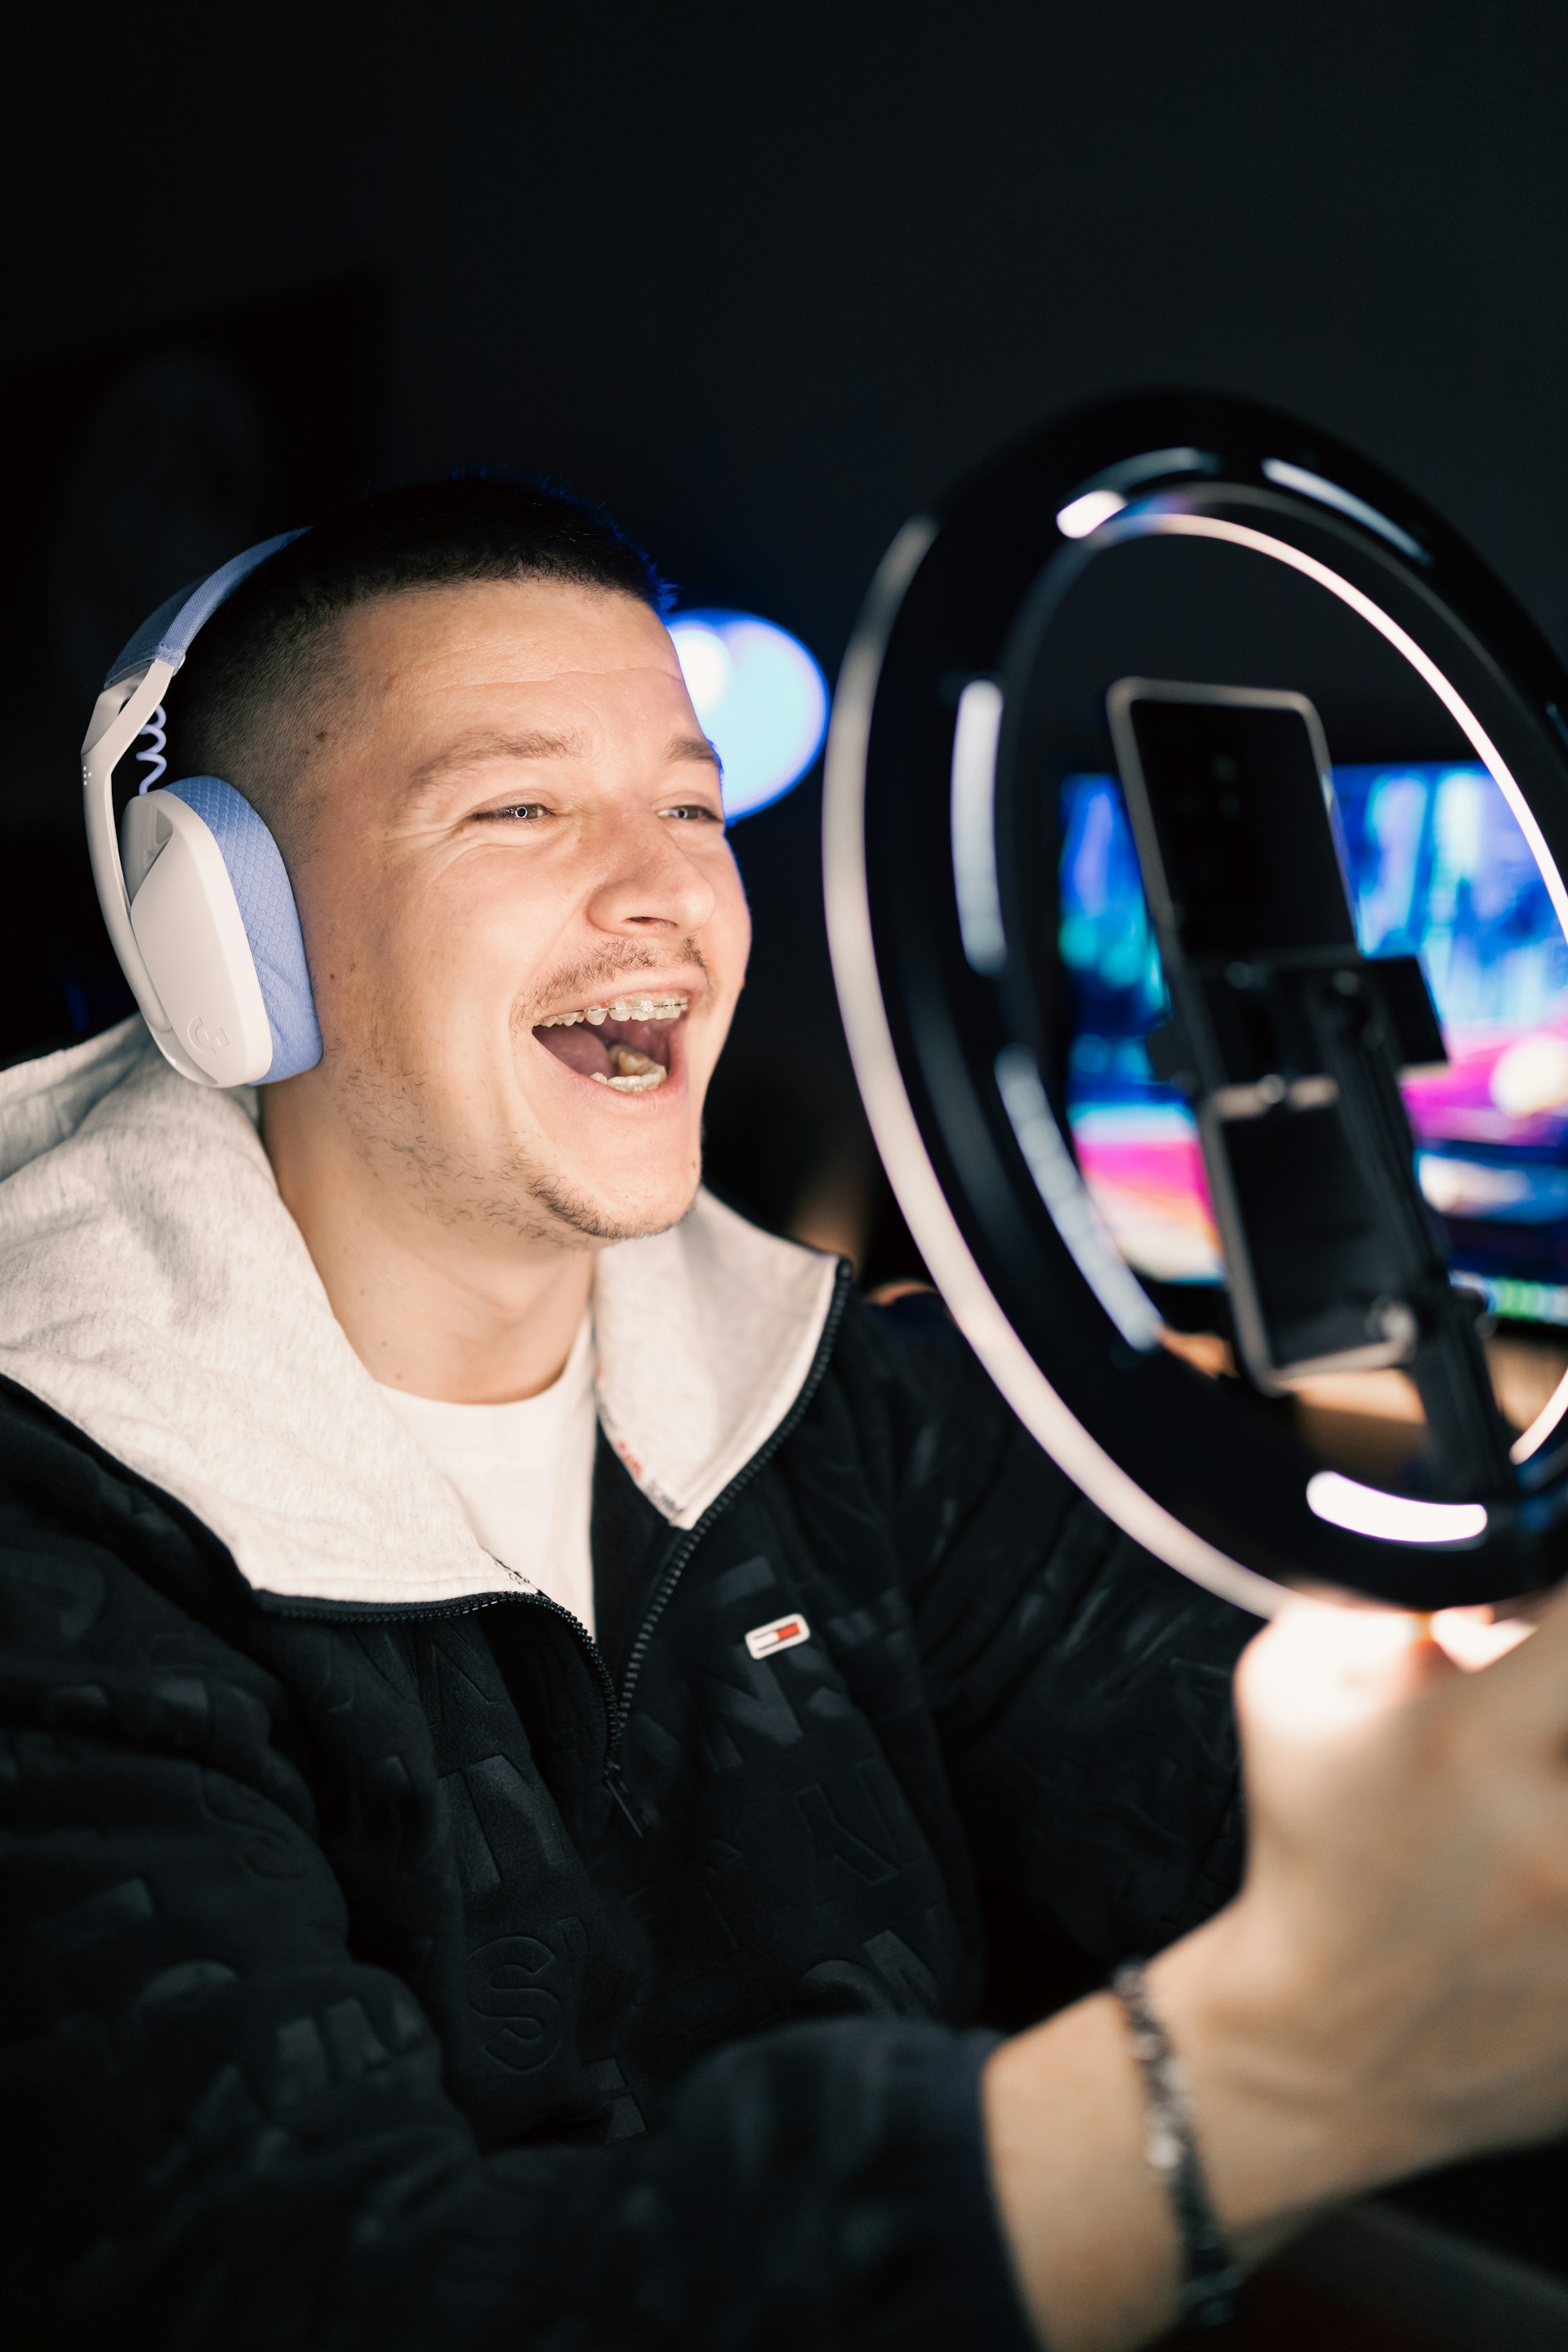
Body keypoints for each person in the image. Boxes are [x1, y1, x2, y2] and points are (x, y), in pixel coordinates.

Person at [3, 475, 1568, 2352]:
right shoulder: (52, 1527)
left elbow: (1226, 1770)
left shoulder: (840, 1399)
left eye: (689, 804)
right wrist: (1263, 2080)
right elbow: (299, 2291)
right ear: (217, 935)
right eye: (518, 808)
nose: (668, 889)